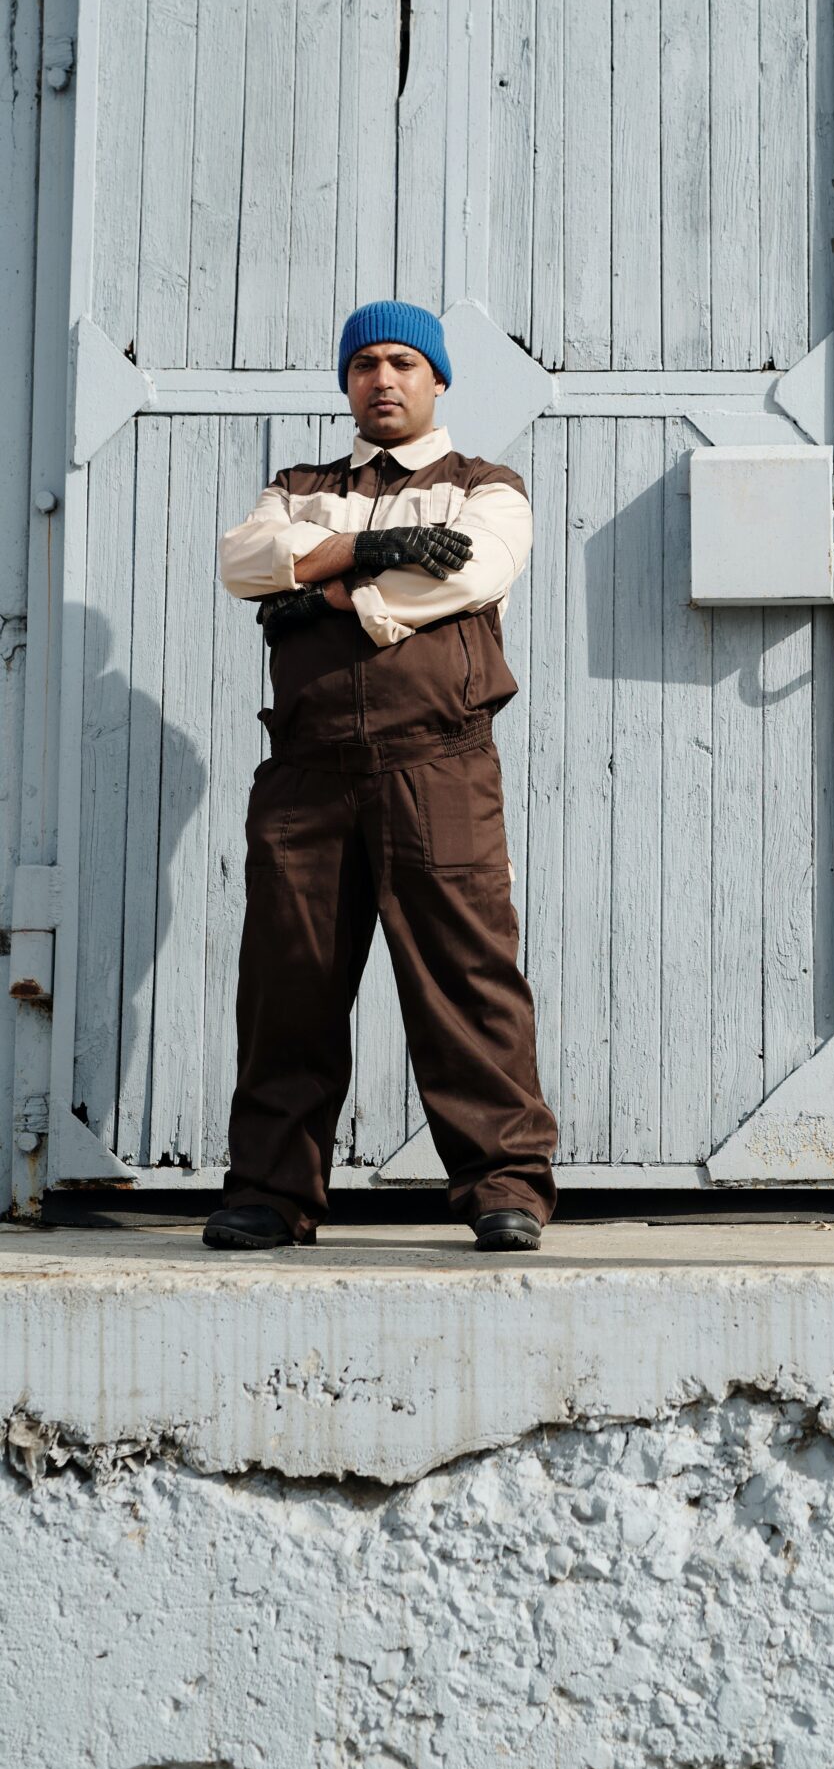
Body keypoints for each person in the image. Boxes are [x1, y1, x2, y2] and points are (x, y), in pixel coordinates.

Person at [203, 300, 558, 1253]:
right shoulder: (298, 485)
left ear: (438, 380)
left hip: (436, 764)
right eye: (365, 363)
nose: (384, 378)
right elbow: (242, 561)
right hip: (305, 773)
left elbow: (469, 574)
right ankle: (271, 1194)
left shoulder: (485, 486)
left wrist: (318, 591)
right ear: (346, 383)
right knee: (291, 983)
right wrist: (372, 548)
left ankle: (504, 1187)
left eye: (404, 361)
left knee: (465, 975)